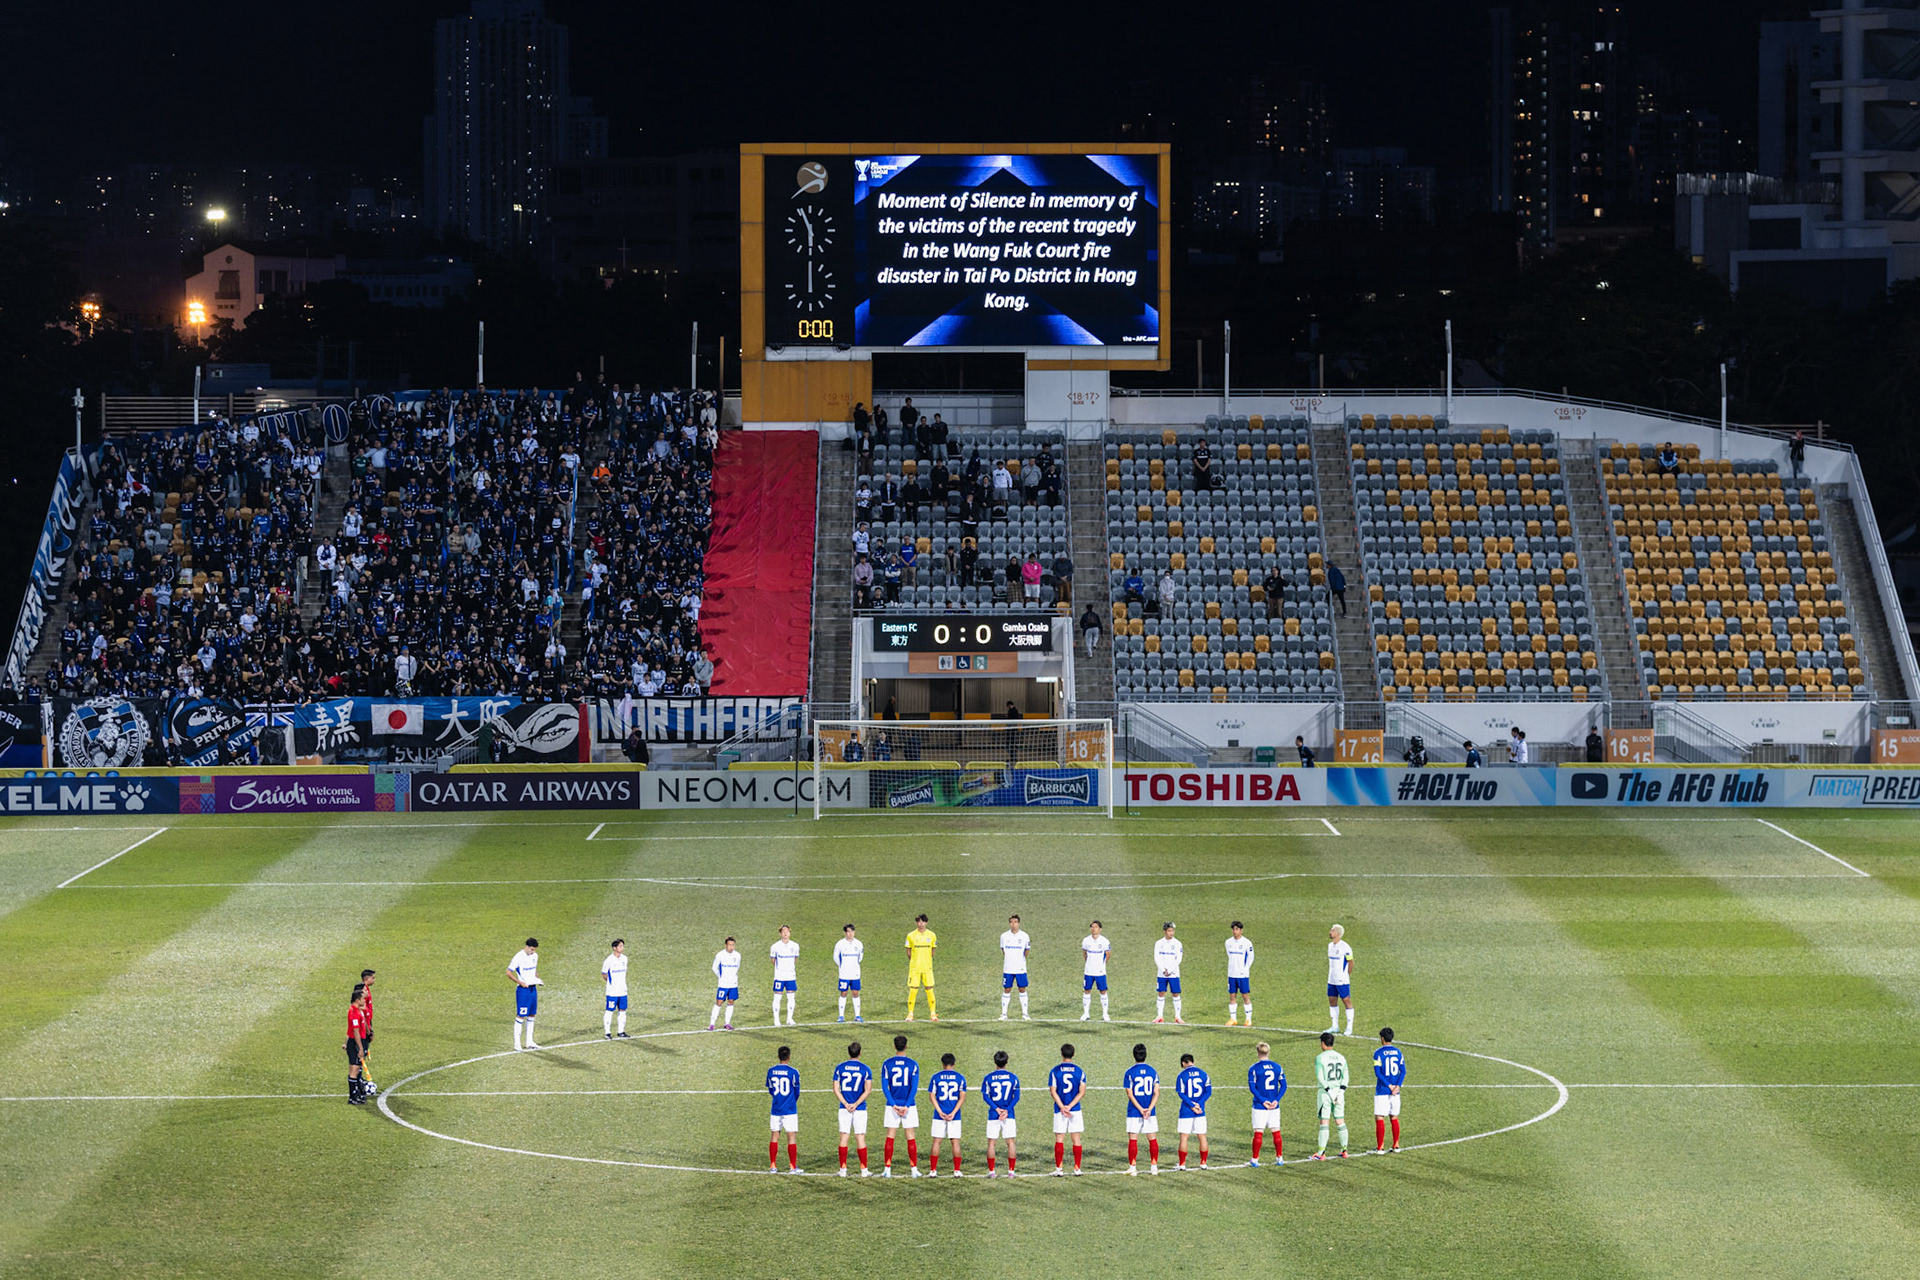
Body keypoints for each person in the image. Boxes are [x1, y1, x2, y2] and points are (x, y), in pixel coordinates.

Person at [879, 1034, 922, 1177]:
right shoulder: (913, 1064)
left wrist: (893, 1105)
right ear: (906, 1046)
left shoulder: (887, 1064)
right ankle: (914, 1170)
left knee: (890, 1136)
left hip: (892, 1106)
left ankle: (887, 1169)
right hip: (909, 1106)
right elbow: (913, 1088)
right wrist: (907, 1105)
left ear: (894, 1046)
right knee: (910, 1136)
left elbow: (885, 1087)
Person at [833, 1041, 874, 1177]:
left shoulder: (840, 1068)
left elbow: (836, 1089)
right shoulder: (865, 1069)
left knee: (844, 1136)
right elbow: (868, 1090)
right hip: (860, 1108)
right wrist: (855, 1104)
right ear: (860, 1052)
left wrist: (845, 1103)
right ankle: (863, 1170)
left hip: (844, 1108)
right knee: (860, 1137)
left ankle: (843, 1170)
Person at [1122, 1043, 1162, 1176]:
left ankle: (1133, 1168)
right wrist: (1149, 1109)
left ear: (1134, 1055)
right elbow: (1156, 1092)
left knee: (1133, 1138)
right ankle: (1154, 1167)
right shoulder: (1152, 1071)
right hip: (1150, 1111)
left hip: (1134, 1110)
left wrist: (1140, 1109)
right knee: (1152, 1138)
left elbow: (1130, 1094)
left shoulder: (1129, 1072)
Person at [1048, 1043, 1087, 1175]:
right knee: (1076, 1138)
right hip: (1074, 1109)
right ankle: (1077, 1168)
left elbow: (1053, 1091)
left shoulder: (1055, 1071)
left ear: (1061, 1054)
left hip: (1059, 1110)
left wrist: (1062, 1107)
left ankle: (1059, 1169)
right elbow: (1082, 1092)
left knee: (1060, 1138)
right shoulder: (1079, 1071)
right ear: (1073, 1054)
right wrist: (1070, 1106)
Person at [981, 1050, 1021, 1177]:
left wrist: (997, 1109)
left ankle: (992, 1172)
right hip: (1009, 1115)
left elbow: (986, 1096)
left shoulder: (988, 1078)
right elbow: (1016, 1097)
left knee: (991, 1143)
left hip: (994, 1114)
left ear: (995, 1062)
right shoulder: (1013, 1078)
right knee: (1010, 1143)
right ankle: (1011, 1171)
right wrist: (1006, 1110)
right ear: (1006, 1062)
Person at [1312, 1031, 1351, 1159]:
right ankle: (1344, 1150)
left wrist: (1329, 1091)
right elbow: (1346, 1077)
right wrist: (1341, 1092)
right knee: (1340, 1121)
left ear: (1323, 1044)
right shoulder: (1341, 1057)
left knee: (1324, 1122)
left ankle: (1321, 1153)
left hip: (1325, 1094)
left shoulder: (1320, 1057)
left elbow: (1320, 1077)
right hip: (1339, 1094)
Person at [926, 1052, 966, 1176]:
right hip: (955, 1115)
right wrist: (953, 1112)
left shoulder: (936, 1077)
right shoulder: (960, 1078)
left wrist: (939, 1111)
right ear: (954, 1063)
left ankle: (933, 1170)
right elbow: (962, 1098)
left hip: (939, 1115)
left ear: (943, 1064)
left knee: (936, 1141)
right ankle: (957, 1170)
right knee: (955, 1142)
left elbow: (932, 1096)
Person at [1248, 1041, 1287, 1166]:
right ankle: (1279, 1158)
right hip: (1274, 1106)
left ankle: (1255, 1160)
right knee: (1276, 1131)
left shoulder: (1254, 1068)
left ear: (1258, 1053)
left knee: (1258, 1132)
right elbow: (1284, 1085)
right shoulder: (1277, 1067)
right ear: (1268, 1052)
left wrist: (1263, 1100)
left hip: (1260, 1106)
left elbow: (1252, 1088)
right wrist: (1276, 1100)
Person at [767, 1045, 802, 1173]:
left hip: (776, 1108)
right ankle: (792, 1166)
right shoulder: (794, 1072)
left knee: (774, 1136)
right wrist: (791, 1101)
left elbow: (770, 1089)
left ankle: (773, 1165)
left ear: (778, 1056)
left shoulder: (771, 1071)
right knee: (791, 1137)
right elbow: (797, 1091)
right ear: (789, 1057)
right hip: (790, 1109)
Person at [1174, 1052, 1212, 1170]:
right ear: (1193, 1061)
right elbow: (1208, 1092)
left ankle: (1182, 1164)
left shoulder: (1181, 1076)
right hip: (1200, 1111)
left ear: (1183, 1063)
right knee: (1202, 1136)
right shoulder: (1204, 1074)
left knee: (1184, 1137)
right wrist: (1198, 1104)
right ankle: (1203, 1163)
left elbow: (1181, 1093)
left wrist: (1191, 1105)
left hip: (1186, 1110)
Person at [1373, 1027, 1406, 1153]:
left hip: (1382, 1089)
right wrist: (1397, 1086)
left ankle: (1380, 1147)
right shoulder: (1398, 1052)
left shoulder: (1378, 1053)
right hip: (1395, 1092)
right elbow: (1403, 1071)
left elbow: (1378, 1073)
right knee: (1394, 1117)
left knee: (1379, 1117)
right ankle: (1396, 1145)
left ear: (1382, 1039)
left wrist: (1389, 1086)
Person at [508, 937, 542, 1051]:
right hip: (523, 991)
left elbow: (534, 970)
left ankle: (529, 1042)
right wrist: (520, 982)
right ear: (526, 947)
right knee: (521, 1015)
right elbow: (508, 972)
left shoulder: (535, 956)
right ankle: (517, 1044)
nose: (533, 952)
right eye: (532, 949)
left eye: (534, 950)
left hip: (533, 988)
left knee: (532, 1015)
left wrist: (538, 978)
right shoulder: (519, 957)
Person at [904, 913, 938, 1021]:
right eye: (918, 921)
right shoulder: (911, 935)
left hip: (927, 968)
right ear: (916, 923)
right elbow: (908, 952)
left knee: (929, 989)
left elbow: (933, 951)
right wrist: (915, 961)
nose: (921, 924)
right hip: (915, 968)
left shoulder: (932, 935)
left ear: (926, 923)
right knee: (913, 990)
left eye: (923, 921)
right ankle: (910, 1014)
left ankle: (933, 1014)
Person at [1000, 913, 1032, 1020]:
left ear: (1019, 923)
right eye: (1011, 922)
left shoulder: (1024, 936)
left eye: (1015, 922)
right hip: (1008, 968)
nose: (1013, 924)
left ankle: (1025, 1014)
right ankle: (1004, 1014)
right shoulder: (1004, 936)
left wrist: (1021, 960)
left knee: (1022, 989)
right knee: (1007, 989)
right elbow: (1003, 950)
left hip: (1020, 968)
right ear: (1009, 923)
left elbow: (1026, 951)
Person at [1325, 922, 1355, 1036]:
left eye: (1332, 930)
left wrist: (1346, 975)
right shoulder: (1330, 945)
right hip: (1331, 979)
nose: (1330, 932)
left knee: (1346, 1001)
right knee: (1332, 1001)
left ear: (1338, 933)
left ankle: (1349, 1027)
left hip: (1342, 980)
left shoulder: (1345, 947)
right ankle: (1335, 1026)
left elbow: (1350, 962)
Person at [1080, 919, 1112, 1021]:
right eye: (1092, 927)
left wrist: (1102, 965)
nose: (1094, 929)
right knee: (1087, 991)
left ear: (1100, 929)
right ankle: (1086, 1014)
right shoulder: (1086, 941)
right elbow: (1084, 953)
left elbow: (1108, 954)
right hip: (1088, 971)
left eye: (1096, 927)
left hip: (1100, 972)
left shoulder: (1104, 941)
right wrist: (1089, 963)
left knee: (1103, 991)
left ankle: (1105, 1014)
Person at [1153, 921, 1185, 1024]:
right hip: (1161, 973)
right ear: (1165, 931)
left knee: (1175, 993)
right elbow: (1156, 958)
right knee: (1161, 993)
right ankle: (1159, 1016)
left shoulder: (1177, 944)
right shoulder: (1158, 943)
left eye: (1172, 931)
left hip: (1174, 973)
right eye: (1169, 931)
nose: (1171, 933)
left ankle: (1178, 1016)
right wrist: (1163, 969)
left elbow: (1178, 959)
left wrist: (1170, 970)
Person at [769, 924, 800, 1028]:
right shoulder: (775, 946)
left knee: (791, 997)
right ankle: (776, 1019)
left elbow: (795, 959)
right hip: (779, 977)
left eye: (787, 931)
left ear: (790, 933)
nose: (785, 933)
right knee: (777, 997)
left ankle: (789, 1018)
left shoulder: (795, 946)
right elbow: (773, 960)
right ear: (780, 933)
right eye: (783, 931)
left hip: (791, 976)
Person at [1225, 921, 1255, 1026]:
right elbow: (1229, 955)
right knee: (1232, 996)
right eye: (1233, 929)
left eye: (1237, 929)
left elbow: (1251, 958)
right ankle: (1233, 1019)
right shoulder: (1228, 942)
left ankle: (1248, 1019)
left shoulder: (1247, 943)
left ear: (1241, 930)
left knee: (1245, 996)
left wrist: (1245, 969)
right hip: (1232, 974)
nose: (1235, 931)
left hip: (1243, 975)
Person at [710, 936, 742, 1031]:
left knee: (731, 1002)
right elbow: (714, 968)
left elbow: (737, 967)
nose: (731, 947)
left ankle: (727, 1023)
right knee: (719, 1002)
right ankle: (712, 1024)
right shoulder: (720, 955)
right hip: (723, 984)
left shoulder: (737, 955)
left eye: (733, 945)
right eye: (729, 945)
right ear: (726, 945)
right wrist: (721, 977)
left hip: (733, 984)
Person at [834, 922, 864, 1023]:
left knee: (855, 993)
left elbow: (860, 958)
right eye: (847, 931)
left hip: (855, 973)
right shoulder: (840, 944)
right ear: (845, 933)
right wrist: (843, 967)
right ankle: (841, 1016)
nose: (850, 934)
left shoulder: (858, 944)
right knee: (843, 993)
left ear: (854, 932)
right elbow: (836, 958)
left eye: (851, 931)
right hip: (844, 974)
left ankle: (858, 1016)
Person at [346, 983, 371, 1105]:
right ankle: (352, 1097)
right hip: (355, 1043)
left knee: (355, 1069)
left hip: (355, 1042)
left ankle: (356, 1095)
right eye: (362, 999)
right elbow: (355, 1031)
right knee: (354, 1070)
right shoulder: (354, 1013)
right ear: (357, 1000)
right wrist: (360, 1048)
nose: (364, 1000)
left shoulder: (357, 1010)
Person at [603, 938, 630, 1039]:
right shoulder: (609, 960)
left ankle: (621, 1031)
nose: (622, 948)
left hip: (623, 990)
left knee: (622, 1010)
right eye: (620, 946)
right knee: (609, 1010)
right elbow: (604, 974)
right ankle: (607, 1032)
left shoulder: (625, 959)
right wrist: (611, 983)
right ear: (614, 948)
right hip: (612, 992)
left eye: (622, 946)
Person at [358, 969, 378, 1092]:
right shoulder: (363, 993)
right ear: (367, 979)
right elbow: (363, 1014)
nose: (374, 980)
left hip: (367, 1024)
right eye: (373, 978)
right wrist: (369, 1031)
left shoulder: (366, 990)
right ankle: (359, 1080)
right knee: (361, 1054)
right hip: (363, 1027)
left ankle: (359, 1079)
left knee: (363, 1053)